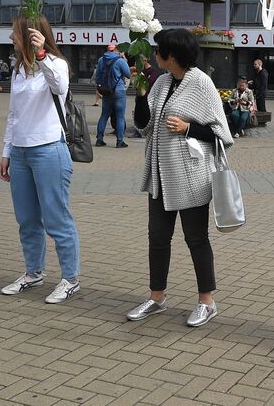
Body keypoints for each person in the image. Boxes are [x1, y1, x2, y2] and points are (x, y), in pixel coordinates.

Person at [128, 28, 234, 328]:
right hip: (160, 174)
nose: (154, 54)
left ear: (171, 55)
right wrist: (139, 95)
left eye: (158, 50)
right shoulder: (161, 82)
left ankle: (206, 301)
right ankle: (157, 296)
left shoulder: (201, 83)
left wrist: (188, 127)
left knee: (196, 238)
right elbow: (143, 125)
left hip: (191, 176)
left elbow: (222, 134)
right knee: (157, 238)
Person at [0, 17, 82, 304]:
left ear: (30, 36)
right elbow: (13, 114)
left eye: (15, 32)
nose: (11, 36)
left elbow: (59, 87)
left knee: (57, 218)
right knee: (27, 219)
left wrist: (43, 54)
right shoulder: (18, 70)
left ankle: (70, 278)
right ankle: (33, 272)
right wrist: (6, 152)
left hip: (49, 149)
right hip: (21, 152)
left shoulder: (56, 64)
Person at [93, 43, 132, 148]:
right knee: (120, 116)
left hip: (106, 91)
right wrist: (124, 60)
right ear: (116, 50)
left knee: (104, 115)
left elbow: (97, 76)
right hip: (118, 90)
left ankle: (99, 140)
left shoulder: (101, 60)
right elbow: (128, 74)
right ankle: (119, 141)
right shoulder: (120, 60)